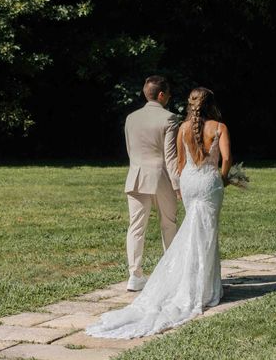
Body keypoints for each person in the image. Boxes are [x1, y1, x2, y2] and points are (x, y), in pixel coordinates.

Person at [86, 87, 232, 339]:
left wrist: (185, 181)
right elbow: (226, 160)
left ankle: (162, 277)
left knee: (186, 228)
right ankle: (205, 288)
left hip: (189, 182)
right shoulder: (219, 127)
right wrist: (222, 178)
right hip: (208, 181)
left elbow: (180, 162)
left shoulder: (183, 128)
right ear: (211, 104)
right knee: (205, 232)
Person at [123, 75, 180, 292]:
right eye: (169, 94)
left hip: (136, 175)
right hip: (160, 176)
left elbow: (130, 150)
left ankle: (134, 275)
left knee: (136, 227)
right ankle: (172, 272)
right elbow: (170, 156)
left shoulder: (131, 118)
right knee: (169, 223)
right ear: (162, 95)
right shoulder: (170, 118)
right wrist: (177, 184)